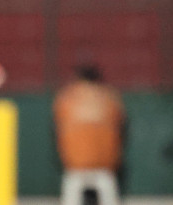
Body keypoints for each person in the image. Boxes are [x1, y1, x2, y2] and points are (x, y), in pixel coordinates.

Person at [53, 65, 125, 205]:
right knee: (107, 192)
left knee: (71, 194)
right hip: (104, 165)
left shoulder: (66, 98)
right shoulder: (110, 97)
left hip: (76, 165)